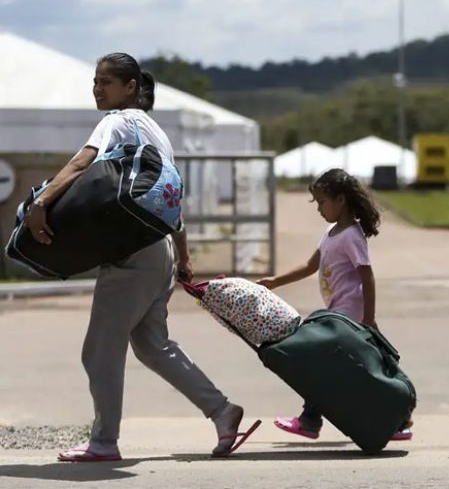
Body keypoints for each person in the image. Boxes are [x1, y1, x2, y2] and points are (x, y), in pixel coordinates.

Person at [24, 52, 259, 461]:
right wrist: (182, 257)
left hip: (132, 253)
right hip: (159, 249)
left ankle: (103, 442)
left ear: (131, 88)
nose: (97, 89)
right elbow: (168, 200)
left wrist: (40, 203)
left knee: (99, 349)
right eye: (95, 82)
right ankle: (222, 411)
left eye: (106, 82)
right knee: (152, 345)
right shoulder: (157, 132)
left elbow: (82, 163)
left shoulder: (116, 121)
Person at [258, 168, 412, 441]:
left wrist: (369, 318)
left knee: (323, 366)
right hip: (337, 314)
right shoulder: (331, 232)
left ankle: (310, 420)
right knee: (351, 371)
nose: (319, 209)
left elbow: (367, 275)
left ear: (340, 200)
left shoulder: (352, 236)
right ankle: (398, 422)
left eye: (322, 202)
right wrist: (275, 281)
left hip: (349, 317)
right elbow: (310, 266)